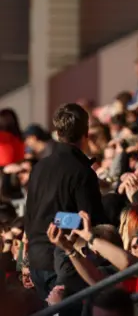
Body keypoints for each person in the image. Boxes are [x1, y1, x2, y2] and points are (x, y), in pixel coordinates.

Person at [24, 103, 106, 300]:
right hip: (63, 266)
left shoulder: (38, 168)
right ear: (86, 133)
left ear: (57, 132)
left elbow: (31, 216)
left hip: (36, 262)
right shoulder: (82, 172)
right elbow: (91, 223)